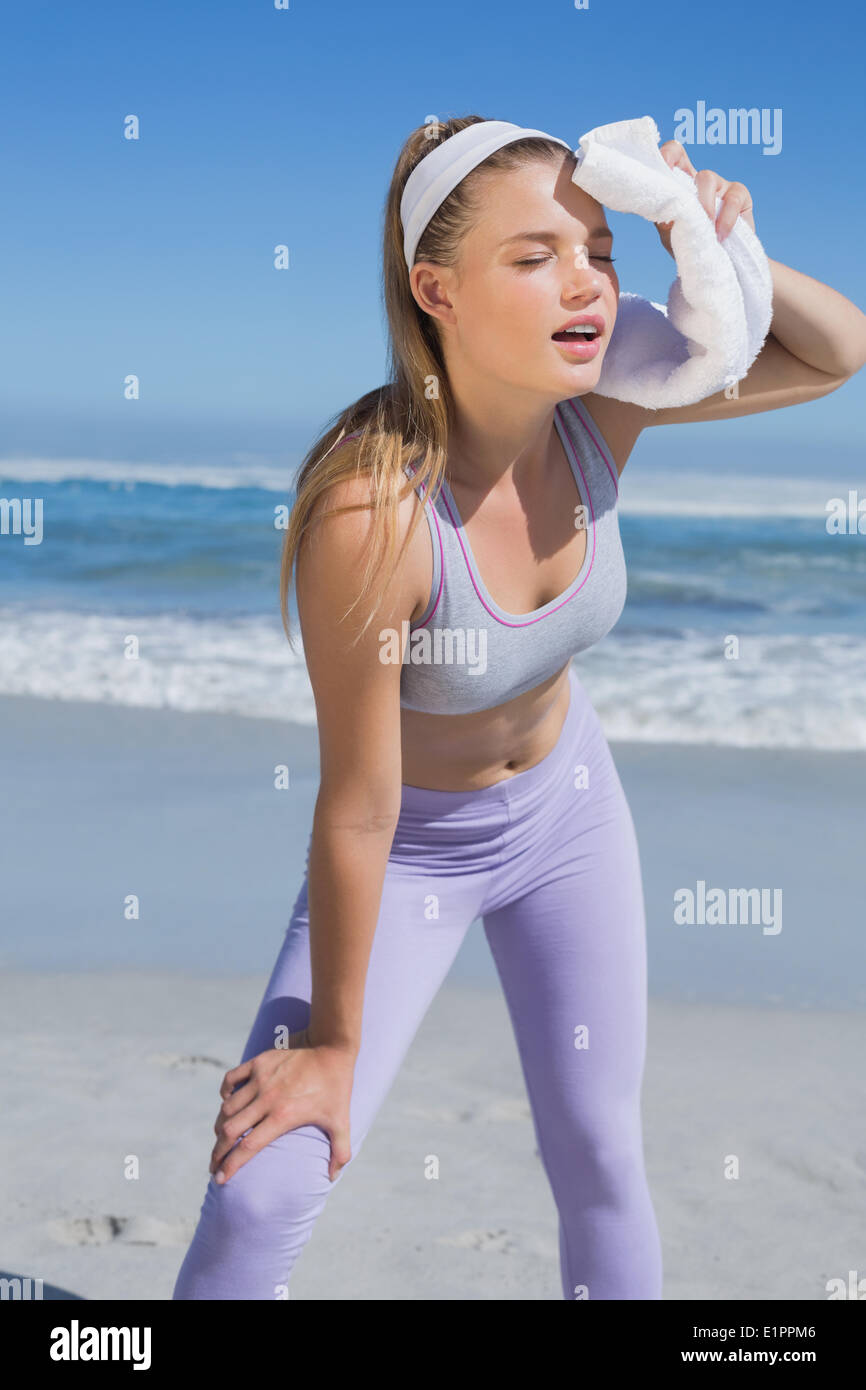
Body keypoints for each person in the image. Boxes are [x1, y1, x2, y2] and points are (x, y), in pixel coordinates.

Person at [172, 114, 866, 1301]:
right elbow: (354, 806)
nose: (586, 278)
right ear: (433, 288)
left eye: (598, 247)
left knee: (598, 1151)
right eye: (534, 254)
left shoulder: (603, 403)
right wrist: (331, 1046)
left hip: (568, 817)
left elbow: (833, 351)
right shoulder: (371, 514)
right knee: (267, 1185)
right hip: (407, 853)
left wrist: (704, 228)